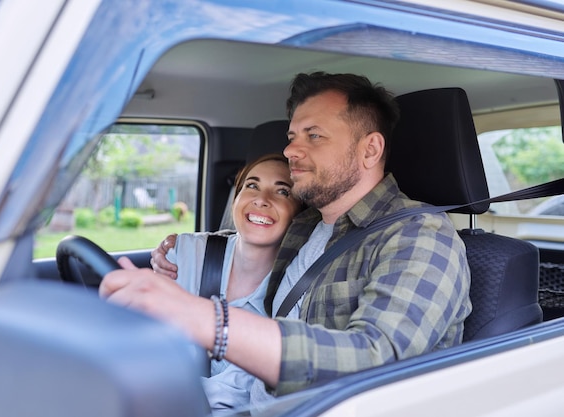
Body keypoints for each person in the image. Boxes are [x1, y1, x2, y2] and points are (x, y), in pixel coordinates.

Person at [100, 72, 472, 406]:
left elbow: (376, 359)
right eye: (292, 137)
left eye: (314, 136)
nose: (291, 150)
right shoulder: (308, 223)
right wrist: (178, 245)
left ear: (370, 149)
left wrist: (204, 319)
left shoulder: (420, 236)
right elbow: (249, 232)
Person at [139, 153, 303, 412]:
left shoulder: (294, 294)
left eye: (283, 192)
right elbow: (152, 348)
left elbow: (236, 397)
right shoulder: (187, 252)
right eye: (252, 185)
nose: (262, 199)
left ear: (300, 214)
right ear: (236, 198)